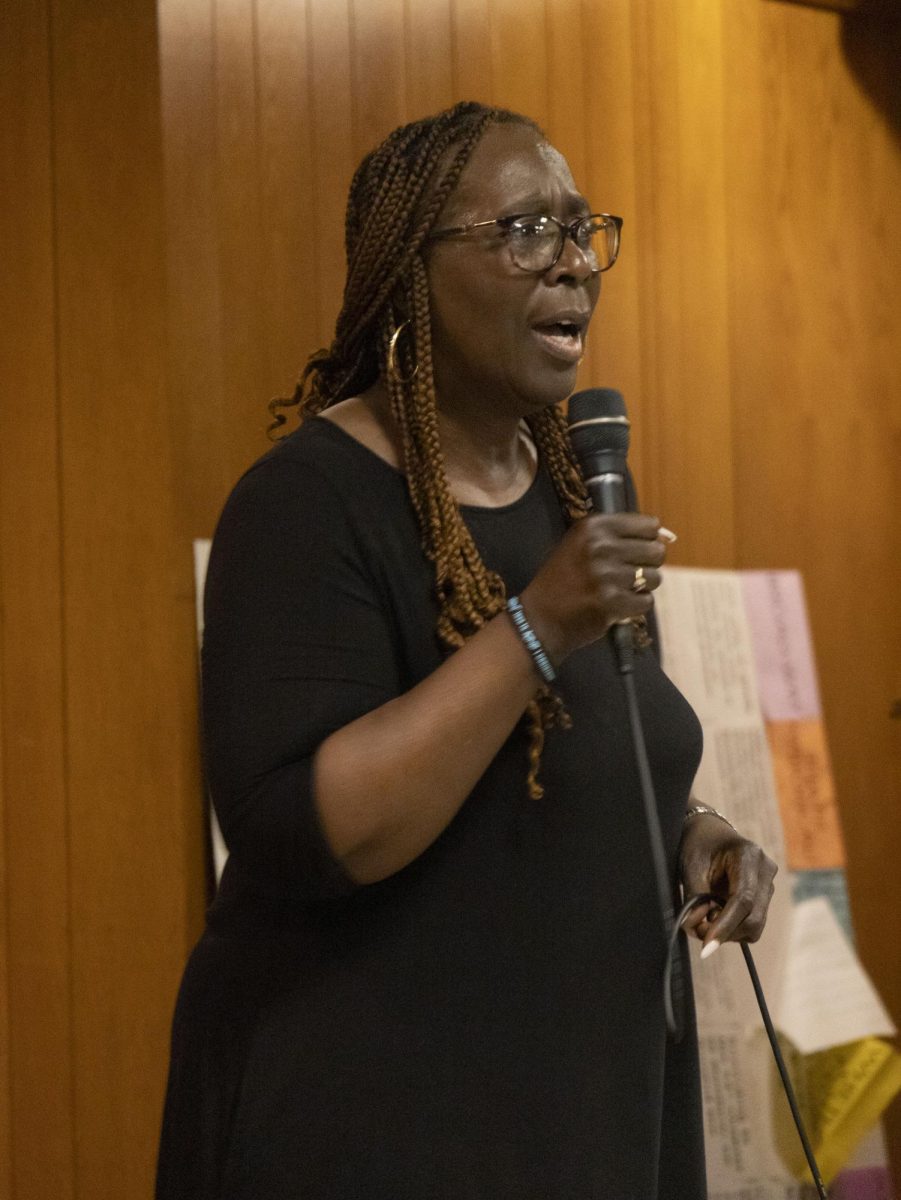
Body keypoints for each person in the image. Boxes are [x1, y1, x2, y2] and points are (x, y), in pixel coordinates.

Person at [156, 101, 777, 1199]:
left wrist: (690, 830)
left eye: (583, 231)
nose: (574, 265)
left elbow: (556, 774)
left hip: (580, 1115)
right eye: (526, 231)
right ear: (410, 272)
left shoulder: (574, 503)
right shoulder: (304, 506)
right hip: (376, 1131)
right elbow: (311, 828)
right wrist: (537, 624)